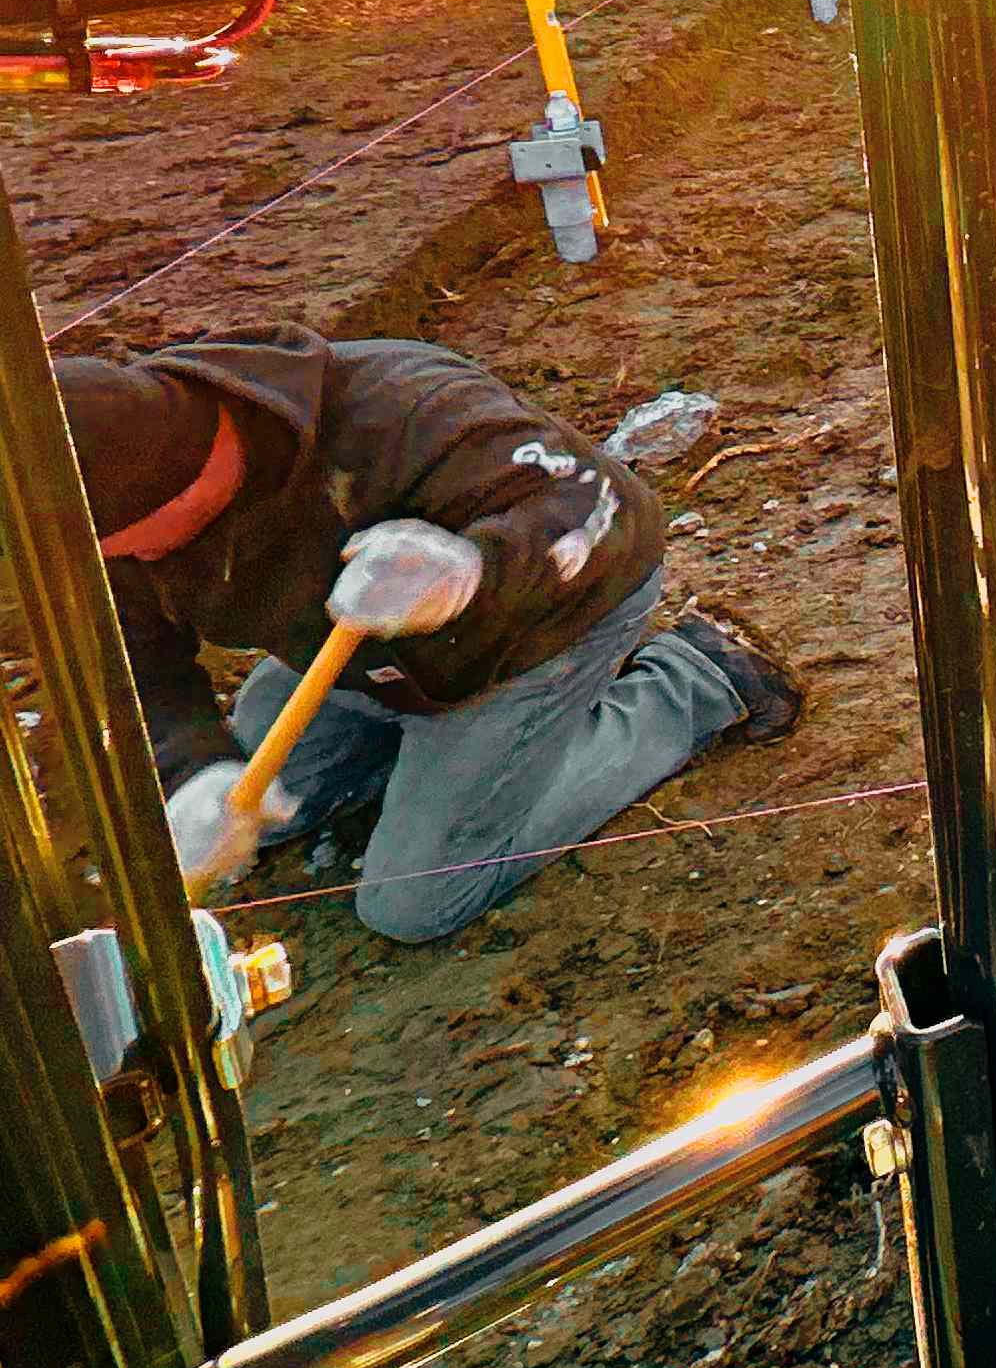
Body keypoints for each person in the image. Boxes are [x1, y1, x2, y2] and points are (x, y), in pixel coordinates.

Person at [53, 328, 799, 943]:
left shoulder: (400, 407)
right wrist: (193, 768)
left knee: (414, 902)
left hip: (532, 628)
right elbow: (133, 661)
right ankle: (419, 752)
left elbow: (588, 503)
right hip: (349, 654)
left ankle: (693, 681)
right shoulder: (104, 522)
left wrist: (471, 567)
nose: (119, 561)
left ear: (183, 487)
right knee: (254, 800)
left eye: (126, 543)